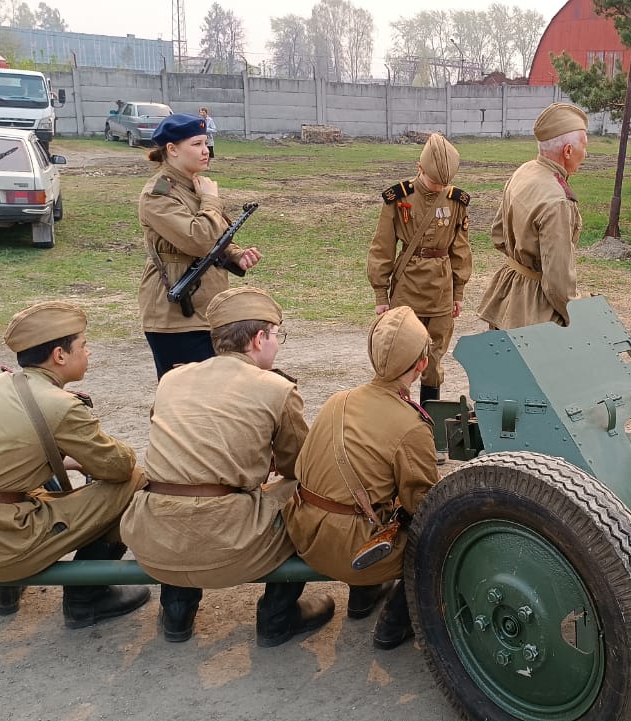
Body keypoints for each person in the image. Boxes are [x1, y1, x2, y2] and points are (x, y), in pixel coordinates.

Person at [120, 287, 339, 647]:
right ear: (258, 339)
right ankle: (278, 616)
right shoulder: (276, 388)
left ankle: (177, 611)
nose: (277, 344)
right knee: (307, 494)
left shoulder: (172, 379)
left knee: (180, 486)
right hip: (225, 538)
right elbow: (299, 466)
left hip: (154, 537)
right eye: (276, 335)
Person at [0, 301, 148, 627]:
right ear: (59, 355)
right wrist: (85, 460)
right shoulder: (60, 405)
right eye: (84, 345)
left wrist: (64, 461)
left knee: (24, 480)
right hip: (2, 541)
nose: (89, 352)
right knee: (134, 481)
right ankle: (87, 599)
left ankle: (7, 590)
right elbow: (119, 466)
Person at [284, 306, 439, 650]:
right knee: (441, 539)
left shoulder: (337, 400)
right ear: (421, 365)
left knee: (366, 500)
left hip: (304, 533)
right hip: (352, 551)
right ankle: (394, 625)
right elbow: (424, 504)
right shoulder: (412, 425)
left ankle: (363, 598)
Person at [138, 112, 262, 379]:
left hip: (208, 311)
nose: (206, 151)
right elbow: (198, 239)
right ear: (172, 150)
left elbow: (214, 236)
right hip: (176, 318)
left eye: (206, 143)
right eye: (196, 144)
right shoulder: (158, 195)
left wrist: (235, 254)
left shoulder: (193, 186)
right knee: (186, 401)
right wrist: (210, 200)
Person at [367, 133, 471, 404]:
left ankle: (428, 413)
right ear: (419, 168)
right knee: (401, 350)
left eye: (443, 183)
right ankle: (396, 409)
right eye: (434, 181)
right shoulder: (398, 198)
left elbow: (460, 250)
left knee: (434, 356)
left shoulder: (456, 201)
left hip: (441, 288)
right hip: (407, 285)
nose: (439, 188)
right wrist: (381, 295)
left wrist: (458, 292)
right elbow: (383, 247)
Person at [477, 103, 588, 329]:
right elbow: (558, 283)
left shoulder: (524, 171)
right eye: (584, 147)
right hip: (536, 311)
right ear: (567, 151)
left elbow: (498, 235)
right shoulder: (557, 201)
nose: (585, 154)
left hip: (508, 293)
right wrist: (578, 318)